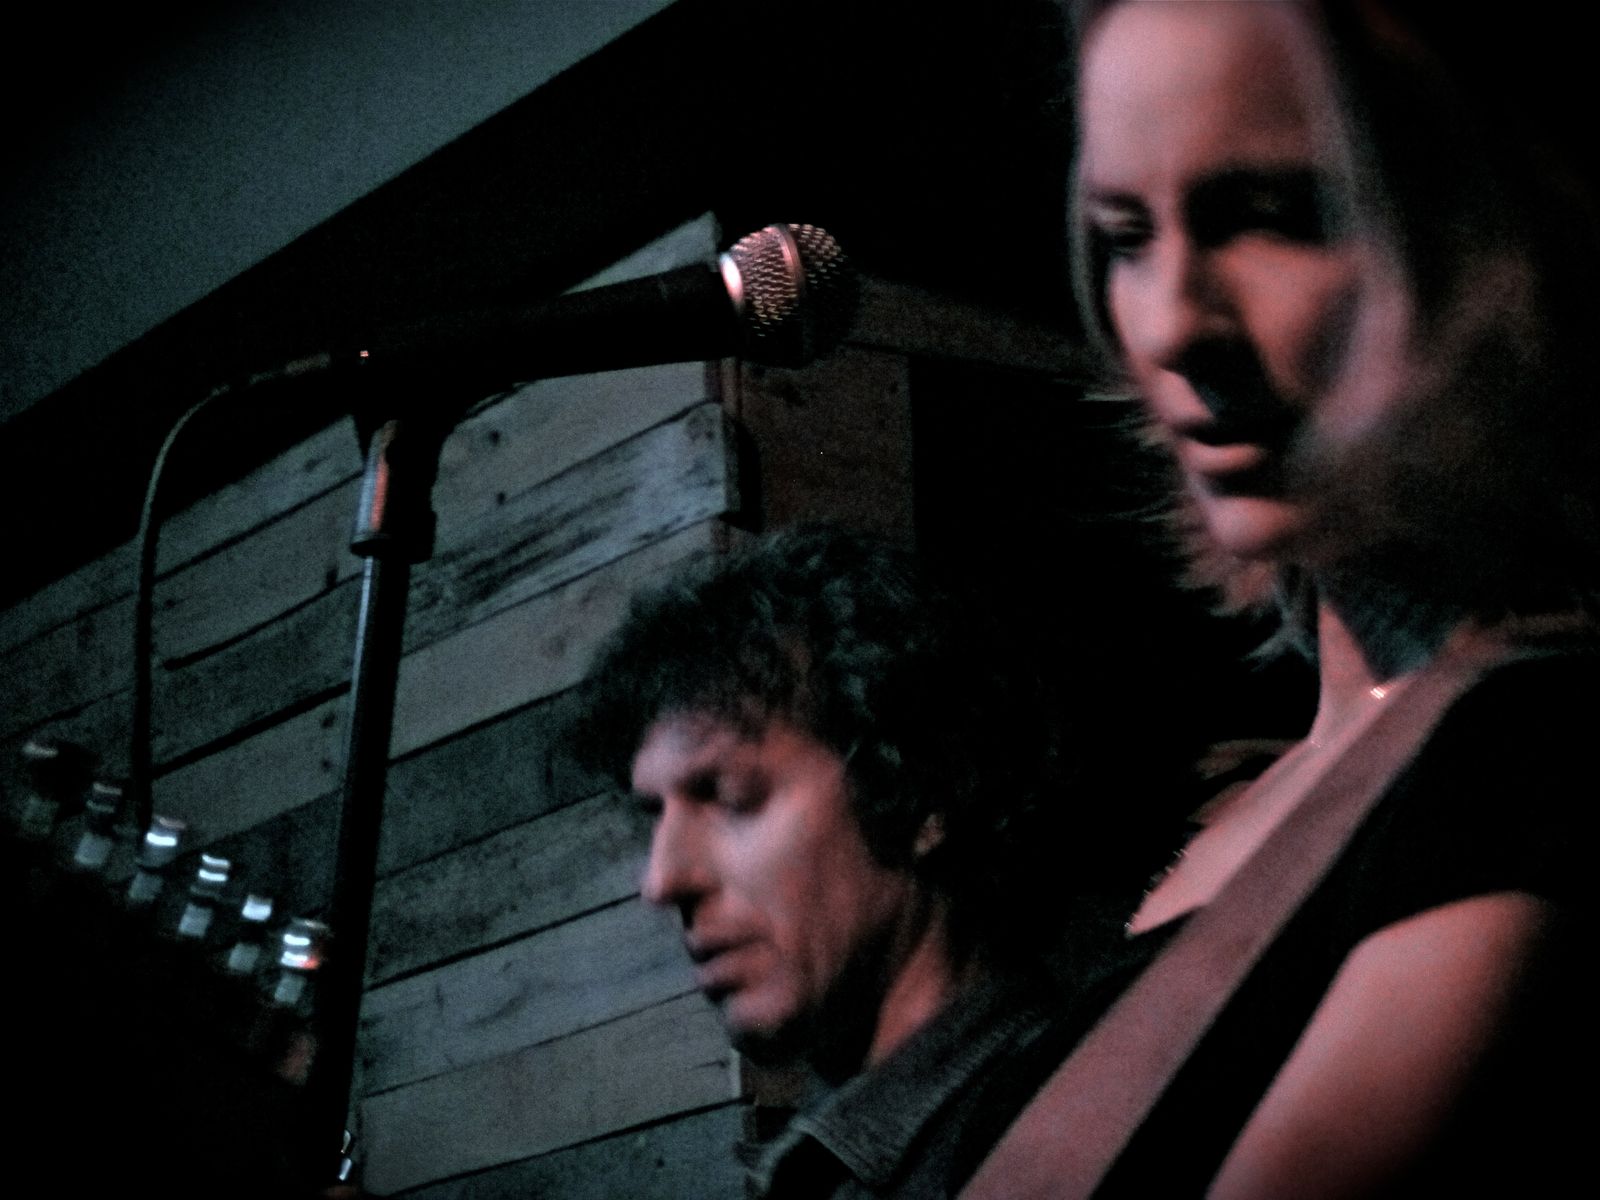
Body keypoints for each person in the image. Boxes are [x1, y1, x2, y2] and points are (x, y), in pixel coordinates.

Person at [1008, 1, 1597, 1195]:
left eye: (1274, 216)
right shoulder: (1243, 810)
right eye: (1125, 237)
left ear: (1484, 230)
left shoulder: (1539, 755)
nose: (1171, 322)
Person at [573, 524, 1118, 1199]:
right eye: (654, 817)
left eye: (730, 796)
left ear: (922, 791)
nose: (661, 880)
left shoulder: (1072, 1138)